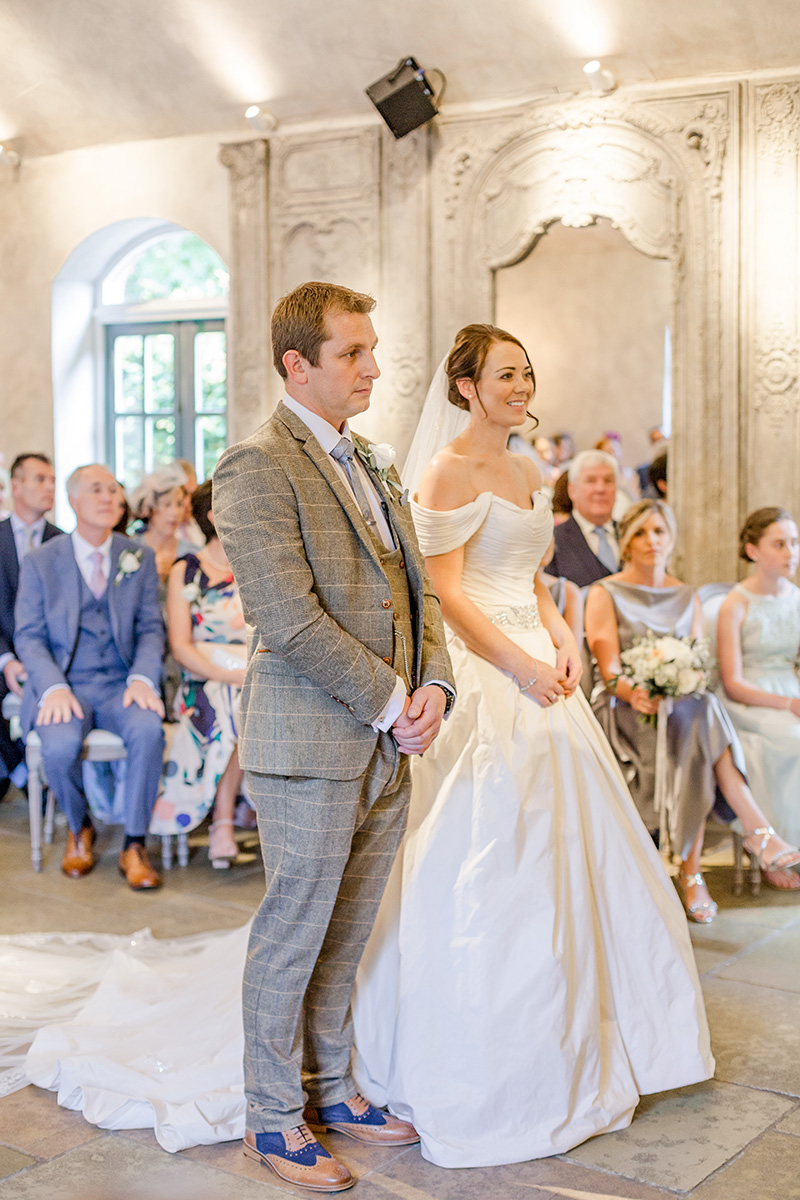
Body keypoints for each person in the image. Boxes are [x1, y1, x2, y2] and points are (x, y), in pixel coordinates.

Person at [350, 324, 713, 1169]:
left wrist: (559, 639)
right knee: (484, 854)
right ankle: (476, 1051)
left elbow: (533, 578)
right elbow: (441, 597)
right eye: (505, 375)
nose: (522, 385)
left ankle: (587, 1030)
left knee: (573, 858)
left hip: (539, 671)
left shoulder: (529, 469)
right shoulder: (443, 471)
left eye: (526, 373)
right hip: (482, 675)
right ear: (468, 387)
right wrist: (515, 664)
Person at [212, 281, 454, 1193]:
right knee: (294, 931)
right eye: (354, 352)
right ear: (296, 364)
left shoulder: (373, 459)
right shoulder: (254, 464)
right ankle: (272, 1122)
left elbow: (418, 590)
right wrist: (395, 701)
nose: (375, 368)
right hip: (311, 741)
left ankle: (334, 1089)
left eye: (372, 349)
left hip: (391, 738)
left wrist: (436, 686)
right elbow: (290, 616)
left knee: (348, 932)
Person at [585, 499, 800, 922]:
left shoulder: (686, 595)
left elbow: (698, 668)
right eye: (642, 533)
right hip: (625, 707)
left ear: (671, 539)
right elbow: (608, 671)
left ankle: (699, 866)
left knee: (697, 709)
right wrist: (637, 693)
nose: (652, 541)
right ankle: (724, 853)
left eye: (660, 531)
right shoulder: (604, 592)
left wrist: (680, 685)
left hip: (682, 709)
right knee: (699, 716)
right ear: (627, 542)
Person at [14, 464, 166, 890]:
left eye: (114, 490)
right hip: (67, 684)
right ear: (74, 501)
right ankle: (80, 828)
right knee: (58, 745)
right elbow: (29, 635)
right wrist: (54, 686)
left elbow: (151, 629)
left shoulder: (138, 556)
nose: (108, 497)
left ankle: (135, 844)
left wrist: (142, 678)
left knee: (148, 731)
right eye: (96, 490)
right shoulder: (42, 561)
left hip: (121, 685)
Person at [150, 480, 247, 867]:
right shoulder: (185, 571)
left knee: (250, 700)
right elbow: (181, 646)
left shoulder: (257, 564)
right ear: (213, 516)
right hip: (202, 676)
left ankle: (239, 813)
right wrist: (228, 675)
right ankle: (224, 821)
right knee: (231, 706)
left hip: (253, 669)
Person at [716, 507, 800, 886]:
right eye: (779, 544)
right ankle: (777, 849)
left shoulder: (796, 598)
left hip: (790, 687)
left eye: (795, 543)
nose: (791, 552)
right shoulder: (735, 604)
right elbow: (731, 682)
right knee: (790, 737)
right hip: (749, 698)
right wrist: (787, 704)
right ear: (753, 550)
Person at [0, 453, 63, 796]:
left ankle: (42, 775)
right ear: (16, 486)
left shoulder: (63, 541)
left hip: (48, 654)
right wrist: (7, 659)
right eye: (40, 479)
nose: (49, 487)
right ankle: (18, 768)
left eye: (52, 480)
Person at [549, 449, 619, 587]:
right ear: (572, 490)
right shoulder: (553, 540)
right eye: (590, 481)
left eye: (608, 481)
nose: (600, 489)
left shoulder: (633, 534)